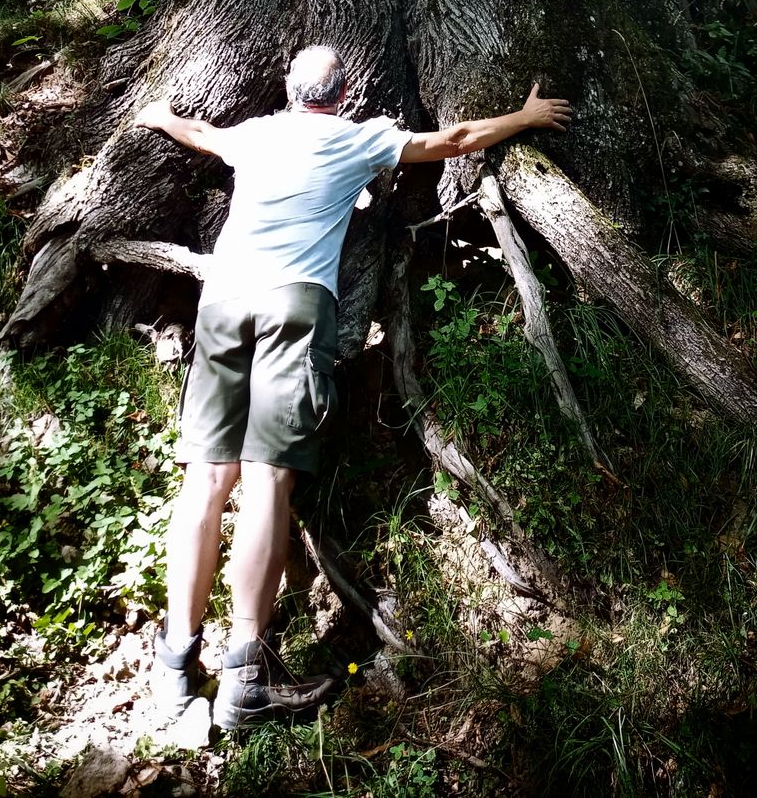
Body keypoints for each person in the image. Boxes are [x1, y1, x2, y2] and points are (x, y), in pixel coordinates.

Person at [133, 45, 571, 729]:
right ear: (342, 96)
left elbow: (201, 134)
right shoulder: (357, 139)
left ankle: (174, 666)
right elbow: (453, 140)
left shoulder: (256, 134)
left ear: (289, 89)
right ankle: (244, 676)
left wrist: (161, 115)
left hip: (222, 302)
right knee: (266, 480)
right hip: (292, 305)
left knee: (206, 481)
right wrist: (524, 116)